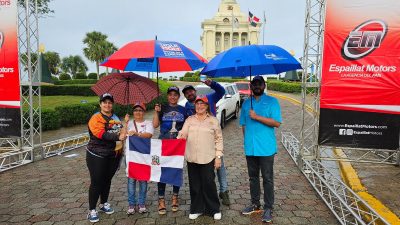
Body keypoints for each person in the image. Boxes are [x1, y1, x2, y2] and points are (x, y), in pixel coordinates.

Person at [239, 76, 282, 223]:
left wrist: (257, 117)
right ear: (251, 86)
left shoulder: (272, 102)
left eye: (259, 83)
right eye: (254, 83)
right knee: (253, 178)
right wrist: (246, 142)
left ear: (264, 85)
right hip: (250, 148)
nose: (257, 86)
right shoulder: (246, 104)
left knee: (268, 179)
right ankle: (255, 204)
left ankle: (268, 207)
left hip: (266, 148)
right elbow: (243, 125)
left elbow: (276, 123)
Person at [182, 79, 231, 206]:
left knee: (219, 165)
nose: (189, 94)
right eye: (186, 93)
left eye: (191, 91)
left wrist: (212, 84)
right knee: (202, 172)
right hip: (197, 144)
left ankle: (224, 191)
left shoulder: (209, 98)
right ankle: (202, 196)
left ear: (195, 91)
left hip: (212, 139)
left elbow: (221, 91)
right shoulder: (187, 106)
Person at [178, 96, 223, 220]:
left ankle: (213, 209)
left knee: (209, 183)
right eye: (197, 104)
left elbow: (219, 139)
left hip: (208, 157)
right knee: (195, 184)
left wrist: (218, 156)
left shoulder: (213, 120)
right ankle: (197, 208)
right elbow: (183, 132)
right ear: (195, 106)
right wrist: (180, 136)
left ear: (207, 106)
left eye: (202, 104)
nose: (199, 106)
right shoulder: (189, 119)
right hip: (192, 157)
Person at [86, 93, 127, 223]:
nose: (107, 105)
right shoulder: (95, 118)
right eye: (105, 102)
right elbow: (100, 134)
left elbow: (121, 133)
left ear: (112, 104)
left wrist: (125, 125)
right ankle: (91, 210)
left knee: (107, 180)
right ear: (100, 104)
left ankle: (103, 204)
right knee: (97, 182)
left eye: (109, 102)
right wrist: (117, 137)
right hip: (97, 154)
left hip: (113, 155)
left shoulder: (115, 117)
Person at [153, 86, 187, 215]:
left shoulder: (183, 110)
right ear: (167, 96)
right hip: (163, 144)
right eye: (170, 94)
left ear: (178, 96)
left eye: (175, 94)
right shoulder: (162, 108)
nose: (172, 97)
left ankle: (175, 197)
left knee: (176, 171)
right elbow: (155, 125)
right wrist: (156, 112)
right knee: (161, 172)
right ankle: (161, 199)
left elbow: (186, 127)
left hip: (177, 145)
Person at [125, 103, 154, 215]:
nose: (138, 112)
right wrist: (126, 123)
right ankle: (131, 204)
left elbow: (149, 135)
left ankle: (141, 203)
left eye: (140, 110)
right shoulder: (129, 123)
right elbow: (122, 135)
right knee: (131, 181)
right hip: (131, 156)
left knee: (143, 180)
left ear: (144, 112)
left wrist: (136, 133)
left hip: (144, 156)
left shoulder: (148, 123)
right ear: (133, 112)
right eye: (136, 110)